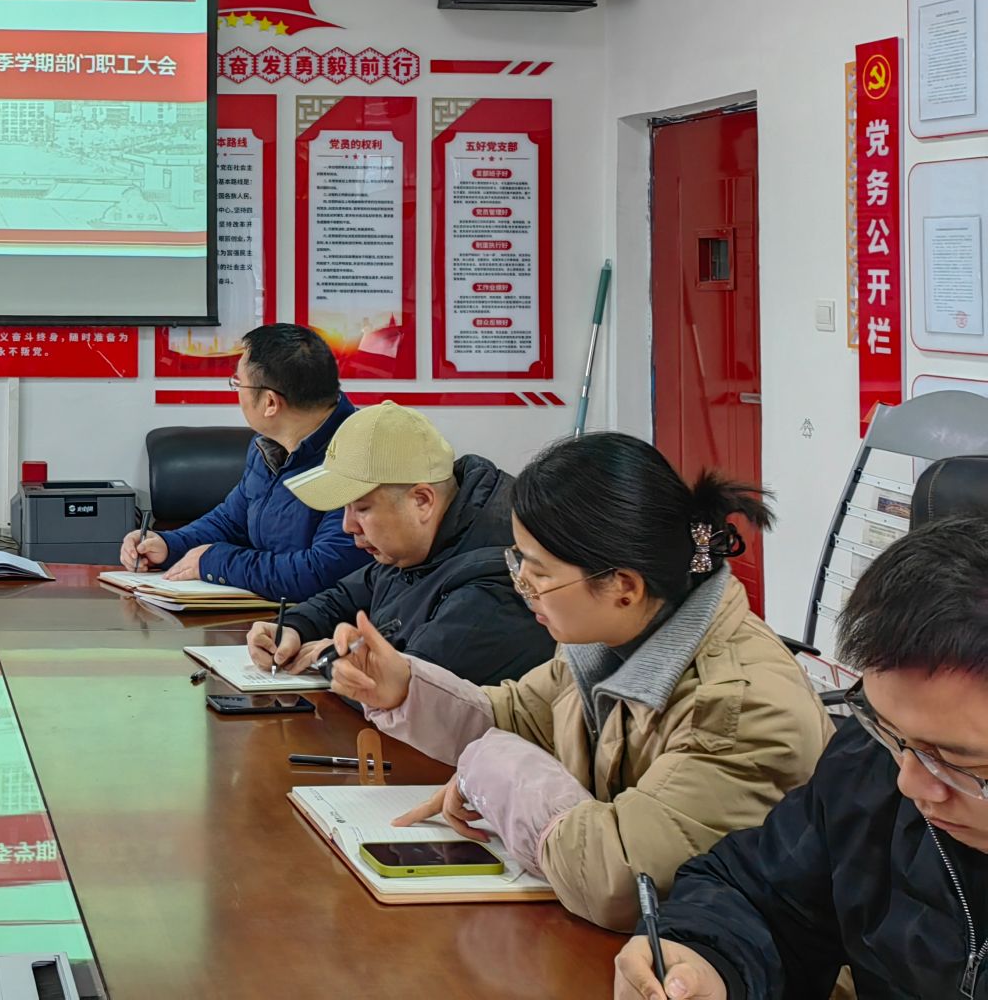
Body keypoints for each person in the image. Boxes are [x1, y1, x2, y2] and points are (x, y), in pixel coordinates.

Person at [327, 432, 829, 930]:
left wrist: (490, 771)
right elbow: (521, 715)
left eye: (539, 573)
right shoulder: (607, 637)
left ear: (623, 587)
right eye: (518, 562)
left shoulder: (742, 711)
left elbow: (622, 879)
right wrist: (405, 687)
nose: (523, 587)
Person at [614, 516, 988, 1000]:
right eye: (889, 729)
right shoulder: (867, 767)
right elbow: (762, 895)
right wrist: (707, 962)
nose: (910, 783)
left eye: (956, 759)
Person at [246, 402, 549, 687]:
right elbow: (346, 596)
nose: (348, 526)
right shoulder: (417, 545)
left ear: (422, 501)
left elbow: (414, 689)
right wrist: (295, 627)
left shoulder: (494, 579)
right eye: (345, 508)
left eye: (362, 508)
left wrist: (333, 659)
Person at [118, 323, 369, 602]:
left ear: (270, 403)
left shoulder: (359, 455)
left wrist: (216, 561)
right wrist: (168, 544)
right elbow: (232, 521)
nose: (236, 392)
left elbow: (319, 572)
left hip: (329, 622)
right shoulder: (267, 447)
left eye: (238, 383)